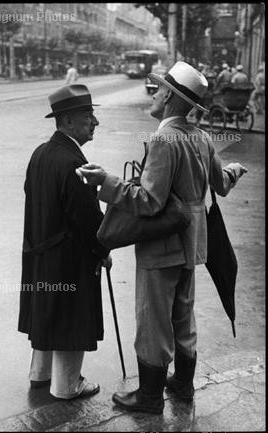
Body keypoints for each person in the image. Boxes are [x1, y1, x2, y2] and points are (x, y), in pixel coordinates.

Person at [78, 61, 248, 414]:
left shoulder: (161, 139)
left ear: (169, 96)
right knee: (183, 317)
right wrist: (233, 170)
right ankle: (183, 385)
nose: (152, 93)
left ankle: (150, 397)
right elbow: (221, 185)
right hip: (193, 247)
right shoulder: (200, 137)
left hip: (162, 248)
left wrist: (105, 182)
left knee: (153, 322)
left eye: (157, 89)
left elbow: (150, 201)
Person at [18, 84, 112, 400]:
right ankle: (67, 384)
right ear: (68, 120)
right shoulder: (73, 162)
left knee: (46, 312)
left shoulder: (40, 154)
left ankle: (40, 374)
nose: (94, 121)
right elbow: (87, 221)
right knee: (70, 316)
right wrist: (102, 250)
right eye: (88, 114)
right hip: (69, 259)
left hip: (40, 253)